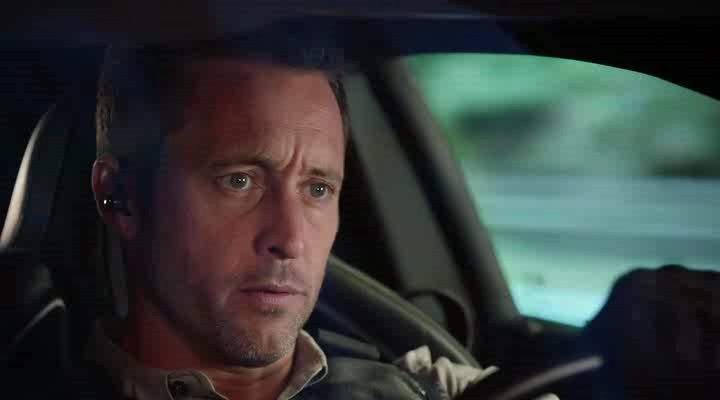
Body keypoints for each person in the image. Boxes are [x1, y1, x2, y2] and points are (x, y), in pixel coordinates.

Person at [82, 34, 558, 400]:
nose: (291, 239)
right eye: (240, 181)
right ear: (120, 197)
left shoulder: (426, 388)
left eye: (317, 189)